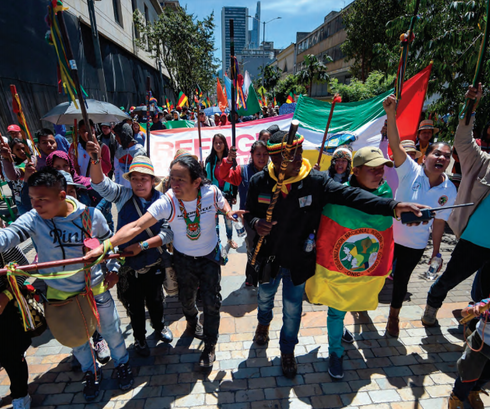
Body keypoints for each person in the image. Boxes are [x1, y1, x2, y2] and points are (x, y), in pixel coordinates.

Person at [244, 128, 425, 379]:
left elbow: (351, 195)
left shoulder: (315, 181)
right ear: (274, 159)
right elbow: (249, 213)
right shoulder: (259, 182)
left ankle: (287, 351)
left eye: (299, 154)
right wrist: (255, 223)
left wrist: (392, 206)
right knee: (264, 299)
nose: (298, 160)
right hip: (268, 259)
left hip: (298, 262)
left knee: (293, 310)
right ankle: (263, 324)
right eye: (291, 157)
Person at [85, 155, 244, 369]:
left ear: (197, 182)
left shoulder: (210, 192)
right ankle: (190, 320)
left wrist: (227, 211)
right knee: (187, 300)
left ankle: (210, 346)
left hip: (209, 259)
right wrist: (104, 247)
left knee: (212, 303)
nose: (173, 184)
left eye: (181, 180)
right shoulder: (168, 200)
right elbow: (136, 226)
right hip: (183, 260)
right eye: (172, 178)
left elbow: (221, 200)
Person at [0, 167, 133, 401]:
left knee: (111, 331)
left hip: (95, 289)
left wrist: (114, 270)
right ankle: (90, 371)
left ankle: (122, 363)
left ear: (62, 196)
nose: (36, 205)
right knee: (76, 338)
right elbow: (10, 234)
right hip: (60, 294)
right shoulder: (33, 218)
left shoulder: (91, 216)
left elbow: (109, 243)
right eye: (32, 199)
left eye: (42, 199)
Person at [305, 146, 395, 379]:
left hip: (366, 268)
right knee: (336, 309)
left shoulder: (386, 195)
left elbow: (385, 231)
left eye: (381, 169)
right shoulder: (337, 195)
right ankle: (335, 352)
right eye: (372, 169)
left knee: (351, 302)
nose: (379, 174)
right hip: (340, 269)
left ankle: (341, 329)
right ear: (355, 171)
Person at [87, 146, 174, 357]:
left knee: (156, 301)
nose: (139, 183)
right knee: (134, 307)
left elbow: (167, 234)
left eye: (144, 179)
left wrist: (142, 246)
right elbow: (99, 184)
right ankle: (140, 339)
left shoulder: (163, 201)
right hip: (128, 266)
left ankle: (160, 326)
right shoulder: (123, 195)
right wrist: (96, 160)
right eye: (134, 178)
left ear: (153, 180)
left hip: (153, 262)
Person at [382, 94, 457, 337]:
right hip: (388, 234)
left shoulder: (449, 190)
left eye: (446, 156)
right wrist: (391, 115)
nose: (442, 158)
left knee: (401, 281)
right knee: (375, 272)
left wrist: (436, 251)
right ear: (425, 158)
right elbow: (395, 144)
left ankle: (393, 316)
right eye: (437, 154)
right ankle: (360, 306)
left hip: (414, 244)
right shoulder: (409, 170)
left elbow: (439, 222)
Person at [422, 84, 490, 327]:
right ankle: (432, 303)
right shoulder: (481, 161)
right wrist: (470, 107)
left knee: (485, 291)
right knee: (450, 278)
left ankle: (476, 324)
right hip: (474, 240)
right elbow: (462, 138)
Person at [219, 140, 269, 285]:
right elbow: (223, 175)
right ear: (251, 155)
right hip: (249, 220)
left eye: (265, 154)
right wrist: (228, 160)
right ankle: (251, 277)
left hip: (268, 218)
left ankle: (265, 277)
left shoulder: (274, 171)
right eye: (258, 154)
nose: (262, 157)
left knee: (267, 249)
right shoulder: (243, 171)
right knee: (252, 249)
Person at [0, 243, 31, 409]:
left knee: (11, 354)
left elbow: (23, 267)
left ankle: (20, 394)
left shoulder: (2, 239)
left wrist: (5, 296)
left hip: (4, 307)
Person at [448, 299, 490, 409]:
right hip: (480, 343)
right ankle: (457, 396)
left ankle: (474, 391)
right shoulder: (487, 304)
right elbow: (464, 312)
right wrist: (472, 310)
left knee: (487, 374)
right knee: (468, 374)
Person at [205, 134, 238, 249]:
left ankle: (229, 239)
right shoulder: (209, 161)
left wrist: (234, 195)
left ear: (225, 144)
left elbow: (235, 178)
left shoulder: (231, 160)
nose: (218, 145)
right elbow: (206, 180)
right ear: (213, 145)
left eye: (221, 142)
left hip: (227, 196)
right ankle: (217, 242)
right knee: (214, 222)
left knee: (229, 221)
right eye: (216, 143)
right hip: (213, 196)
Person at [0, 138, 31, 215]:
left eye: (23, 148)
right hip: (19, 200)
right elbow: (12, 176)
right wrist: (6, 158)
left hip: (31, 198)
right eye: (17, 149)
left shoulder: (31, 160)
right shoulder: (11, 163)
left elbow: (15, 175)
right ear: (12, 151)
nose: (22, 151)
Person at [113, 122, 146, 188]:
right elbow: (117, 173)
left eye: (117, 135)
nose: (116, 138)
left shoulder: (140, 152)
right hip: (122, 192)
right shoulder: (119, 152)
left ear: (123, 135)